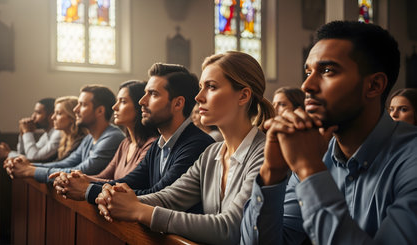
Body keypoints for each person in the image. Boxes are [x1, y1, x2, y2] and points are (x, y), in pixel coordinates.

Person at [241, 21, 417, 244]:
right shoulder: (317, 151)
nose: (306, 85)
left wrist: (310, 170)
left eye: (327, 71)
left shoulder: (410, 160)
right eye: (308, 71)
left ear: (373, 86)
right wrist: (271, 172)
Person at [95, 51, 275, 244]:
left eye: (211, 87)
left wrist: (138, 210)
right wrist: (115, 198)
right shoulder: (211, 153)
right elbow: (169, 197)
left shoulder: (265, 154)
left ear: (243, 96)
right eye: (200, 88)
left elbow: (229, 228)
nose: (198, 97)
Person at [52, 64, 214, 203]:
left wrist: (88, 190)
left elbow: (158, 195)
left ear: (178, 103)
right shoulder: (160, 144)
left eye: (153, 94)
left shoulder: (196, 144)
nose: (142, 101)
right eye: (145, 93)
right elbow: (129, 182)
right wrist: (82, 180)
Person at [50, 81, 159, 198]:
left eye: (122, 102)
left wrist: (83, 182)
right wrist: (78, 178)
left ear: (139, 106)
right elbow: (104, 176)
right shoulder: (125, 143)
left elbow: (127, 184)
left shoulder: (151, 144)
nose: (114, 107)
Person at [4, 85, 125, 183]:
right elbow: (66, 163)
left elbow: (82, 170)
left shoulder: (112, 137)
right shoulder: (89, 138)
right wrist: (28, 165)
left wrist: (30, 170)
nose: (75, 110)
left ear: (100, 111)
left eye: (82, 105)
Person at [0, 98, 62, 162]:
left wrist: (27, 132)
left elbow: (34, 157)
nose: (33, 117)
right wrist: (23, 133)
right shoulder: (46, 135)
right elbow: (25, 154)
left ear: (50, 116)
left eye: (38, 113)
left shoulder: (58, 134)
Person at [52, 96, 89, 160]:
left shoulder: (81, 139)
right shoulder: (65, 138)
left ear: (72, 117)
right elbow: (49, 160)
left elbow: (61, 163)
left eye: (58, 113)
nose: (53, 117)